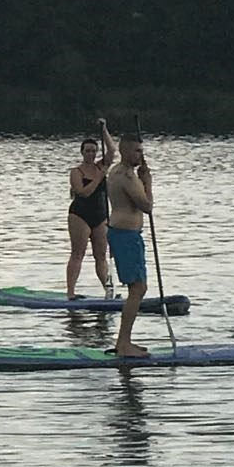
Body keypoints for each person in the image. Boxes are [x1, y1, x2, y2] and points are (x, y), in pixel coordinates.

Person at [106, 135, 154, 358]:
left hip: (122, 233)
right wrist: (147, 182)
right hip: (126, 236)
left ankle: (124, 341)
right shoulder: (126, 176)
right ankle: (123, 343)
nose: (140, 155)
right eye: (136, 151)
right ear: (124, 151)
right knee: (138, 288)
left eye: (141, 150)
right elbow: (146, 206)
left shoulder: (116, 171)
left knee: (137, 288)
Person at [67, 120, 116, 297]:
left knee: (101, 255)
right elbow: (83, 193)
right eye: (87, 151)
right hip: (80, 215)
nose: (91, 154)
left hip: (100, 215)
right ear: (82, 152)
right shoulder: (76, 172)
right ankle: (70, 292)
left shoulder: (101, 166)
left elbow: (112, 151)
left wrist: (104, 130)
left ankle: (108, 291)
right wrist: (99, 177)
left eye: (94, 151)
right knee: (78, 253)